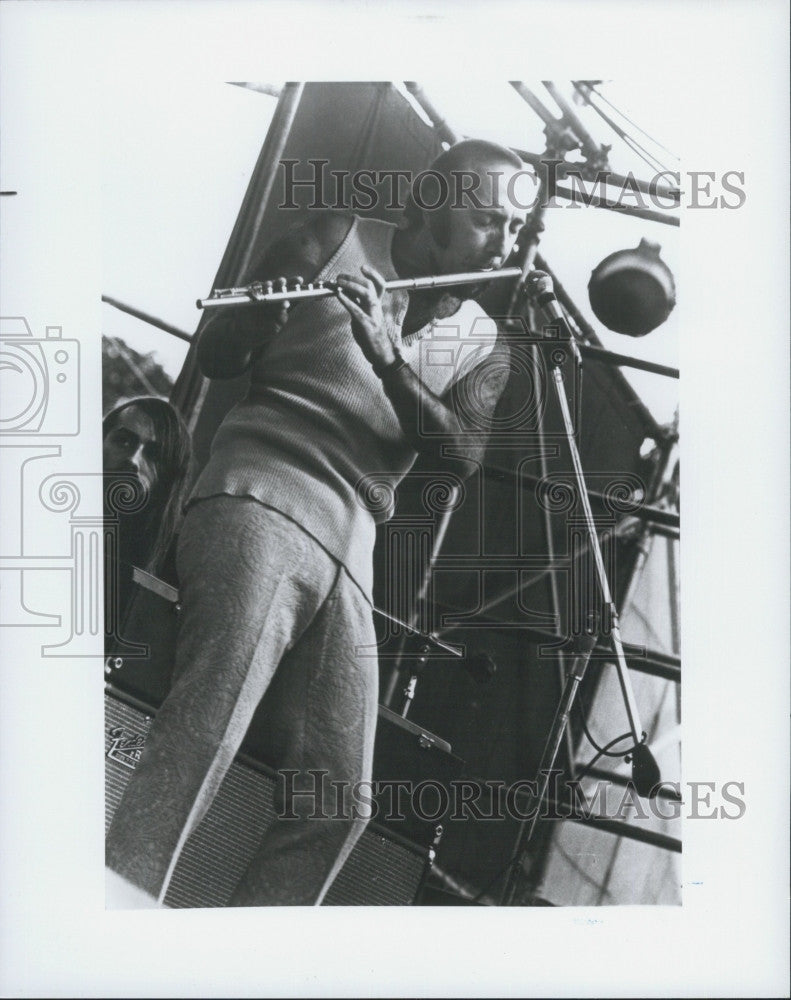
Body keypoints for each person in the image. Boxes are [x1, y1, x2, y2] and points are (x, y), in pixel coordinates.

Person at [105, 139, 527, 907]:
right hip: (260, 497)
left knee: (340, 803)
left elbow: (459, 454)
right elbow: (220, 351)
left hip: (349, 552)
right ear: (431, 203)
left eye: (509, 231)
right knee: (208, 727)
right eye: (484, 219)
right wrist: (268, 308)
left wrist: (388, 357)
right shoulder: (333, 238)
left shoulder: (482, 342)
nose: (499, 244)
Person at [102, 396, 192, 625]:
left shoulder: (175, 567)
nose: (133, 460)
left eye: (152, 454)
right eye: (123, 441)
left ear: (169, 476)